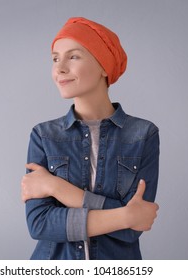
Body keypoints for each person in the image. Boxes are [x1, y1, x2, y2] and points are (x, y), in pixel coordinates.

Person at [21, 17, 160, 260]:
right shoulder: (43, 135)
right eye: (55, 58)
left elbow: (131, 231)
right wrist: (125, 215)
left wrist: (56, 187)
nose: (60, 68)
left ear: (104, 66)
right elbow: (40, 225)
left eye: (73, 56)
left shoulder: (143, 134)